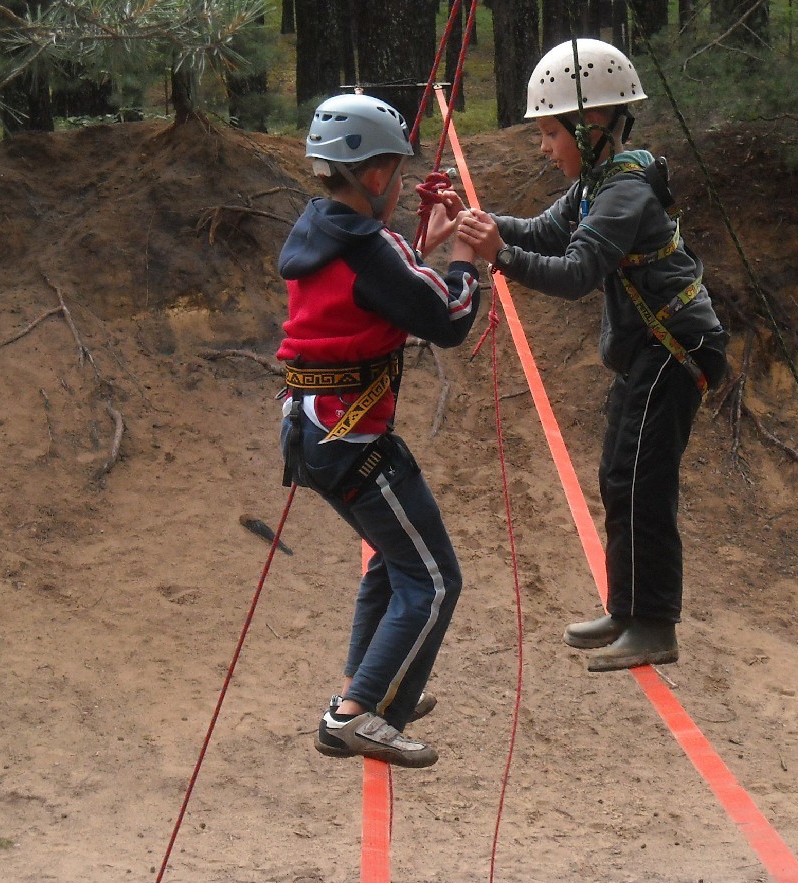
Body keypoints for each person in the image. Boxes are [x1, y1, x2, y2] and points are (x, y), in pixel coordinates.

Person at [458, 38, 729, 672]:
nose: (544, 148)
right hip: (650, 350)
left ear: (593, 124)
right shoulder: (597, 184)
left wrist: (500, 255)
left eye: (552, 133)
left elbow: (577, 271)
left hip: (675, 347)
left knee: (643, 481)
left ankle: (654, 624)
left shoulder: (623, 192)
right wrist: (477, 221)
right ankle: (627, 610)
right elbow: (543, 232)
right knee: (618, 476)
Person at [277, 93, 481, 767]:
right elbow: (447, 319)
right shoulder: (371, 246)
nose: (399, 184)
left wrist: (424, 246)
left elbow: (381, 287)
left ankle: (368, 686)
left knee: (395, 563)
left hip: (315, 432)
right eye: (396, 172)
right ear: (373, 175)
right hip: (353, 441)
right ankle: (356, 714)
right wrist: (465, 257)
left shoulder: (321, 229)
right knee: (434, 578)